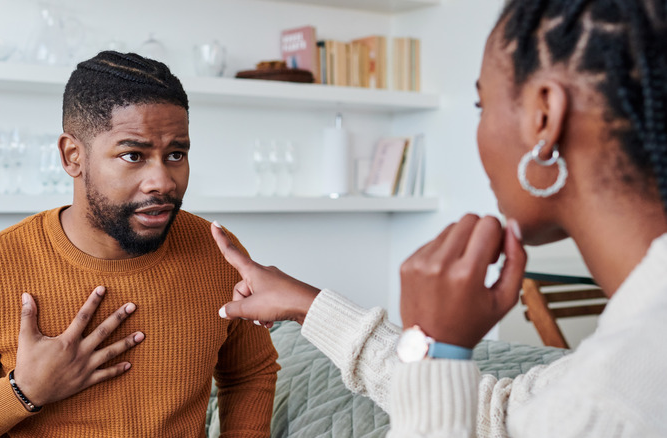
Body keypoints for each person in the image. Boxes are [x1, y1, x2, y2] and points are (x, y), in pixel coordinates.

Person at [211, 0, 667, 436]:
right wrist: (309, 304)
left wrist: (431, 342)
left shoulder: (623, 398)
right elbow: (502, 418)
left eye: (480, 106)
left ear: (544, 117)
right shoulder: (630, 353)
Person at [0, 51, 279, 437]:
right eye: (134, 155)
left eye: (176, 154)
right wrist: (23, 391)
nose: (163, 181)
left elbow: (251, 372)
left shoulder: (219, 253)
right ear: (72, 156)